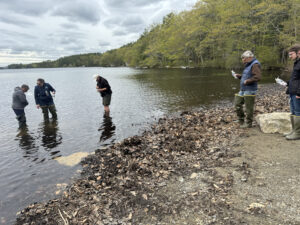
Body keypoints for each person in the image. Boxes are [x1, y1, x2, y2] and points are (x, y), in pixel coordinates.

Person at [234, 50, 261, 128]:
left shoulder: (255, 64)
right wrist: (240, 76)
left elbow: (258, 77)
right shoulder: (248, 64)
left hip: (250, 89)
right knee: (237, 104)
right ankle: (240, 119)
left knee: (249, 107)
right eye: (242, 58)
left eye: (244, 58)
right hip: (243, 88)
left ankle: (248, 123)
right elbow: (247, 76)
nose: (243, 60)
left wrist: (248, 81)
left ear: (250, 57)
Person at [285, 45, 300, 140]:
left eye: (291, 54)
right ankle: (294, 130)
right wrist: (287, 83)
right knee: (293, 111)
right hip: (292, 91)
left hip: (297, 93)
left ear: (298, 52)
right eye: (289, 54)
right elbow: (295, 79)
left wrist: (299, 93)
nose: (290, 56)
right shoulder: (297, 63)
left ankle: (298, 133)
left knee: (298, 112)